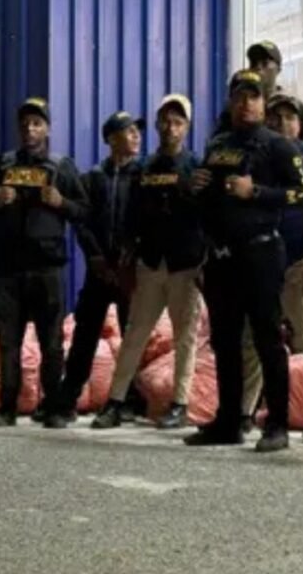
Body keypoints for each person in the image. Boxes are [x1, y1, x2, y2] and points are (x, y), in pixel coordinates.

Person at [183, 69, 303, 453]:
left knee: (267, 339)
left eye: (253, 97)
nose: (246, 103)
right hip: (221, 257)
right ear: (231, 101)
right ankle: (228, 421)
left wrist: (254, 191)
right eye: (239, 96)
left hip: (261, 253)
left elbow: (301, 194)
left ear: (263, 102)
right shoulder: (218, 144)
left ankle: (277, 424)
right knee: (224, 341)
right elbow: (206, 202)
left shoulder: (278, 146)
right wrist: (195, 189)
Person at [91, 94, 204, 430]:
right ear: (157, 125)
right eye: (165, 121)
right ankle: (115, 402)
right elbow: (132, 216)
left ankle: (179, 404)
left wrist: (205, 263)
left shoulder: (197, 168)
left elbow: (208, 217)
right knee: (135, 334)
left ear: (187, 127)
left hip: (186, 265)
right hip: (151, 264)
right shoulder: (144, 169)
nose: (170, 128)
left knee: (185, 337)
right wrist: (128, 258)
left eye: (177, 122)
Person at [0, 97, 88, 427]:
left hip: (47, 268)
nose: (30, 129)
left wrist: (61, 202)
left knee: (52, 343)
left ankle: (52, 408)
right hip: (8, 269)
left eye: (37, 123)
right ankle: (7, 408)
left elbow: (84, 211)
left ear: (47, 129)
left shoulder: (61, 166)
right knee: (8, 342)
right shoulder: (3, 164)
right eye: (25, 124)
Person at [239, 94, 303, 441]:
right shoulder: (257, 160)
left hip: (302, 263)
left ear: (302, 124)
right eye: (276, 116)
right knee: (254, 341)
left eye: (290, 117)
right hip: (263, 263)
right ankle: (244, 412)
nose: (282, 123)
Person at [45, 111, 144, 427]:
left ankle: (129, 401)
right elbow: (82, 220)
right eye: (128, 131)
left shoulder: (143, 176)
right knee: (85, 335)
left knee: (133, 336)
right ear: (111, 139)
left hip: (129, 271)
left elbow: (148, 220)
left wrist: (132, 252)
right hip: (98, 271)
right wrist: (95, 257)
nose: (136, 136)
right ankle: (66, 401)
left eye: (137, 131)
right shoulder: (93, 178)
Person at [213, 41, 283, 136]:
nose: (258, 67)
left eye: (265, 63)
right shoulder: (238, 104)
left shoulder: (286, 105)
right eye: (254, 63)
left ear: (278, 69)